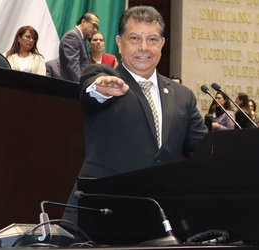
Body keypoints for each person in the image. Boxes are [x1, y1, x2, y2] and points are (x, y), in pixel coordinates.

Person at [64, 5, 207, 222]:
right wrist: (99, 89)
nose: (144, 47)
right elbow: (90, 95)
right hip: (102, 215)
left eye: (151, 39)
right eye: (134, 38)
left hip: (161, 217)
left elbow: (205, 149)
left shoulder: (183, 96)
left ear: (162, 44)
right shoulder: (102, 77)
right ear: (119, 43)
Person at [59, 12, 99, 82]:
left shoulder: (82, 39)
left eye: (97, 27)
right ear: (83, 22)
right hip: (72, 86)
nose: (95, 30)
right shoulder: (72, 36)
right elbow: (73, 66)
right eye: (94, 25)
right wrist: (82, 86)